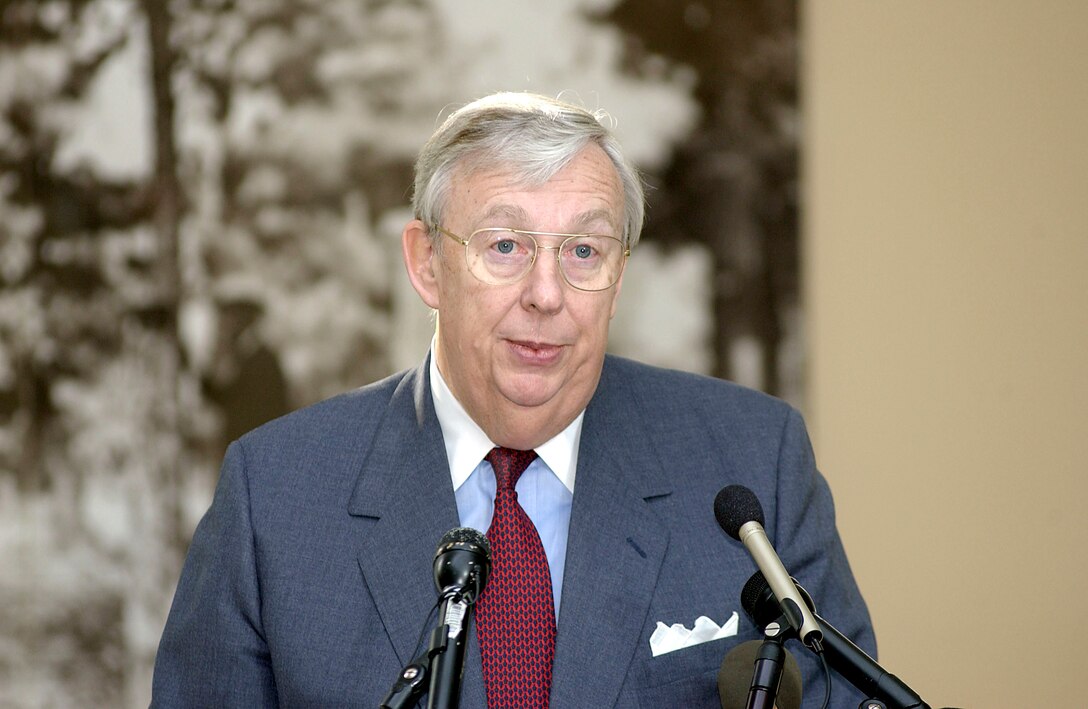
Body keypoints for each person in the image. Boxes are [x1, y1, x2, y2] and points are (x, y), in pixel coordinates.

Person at [152, 92, 876, 707]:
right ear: (427, 262)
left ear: (619, 276)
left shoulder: (752, 461)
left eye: (584, 251)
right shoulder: (275, 495)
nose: (547, 294)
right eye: (505, 246)